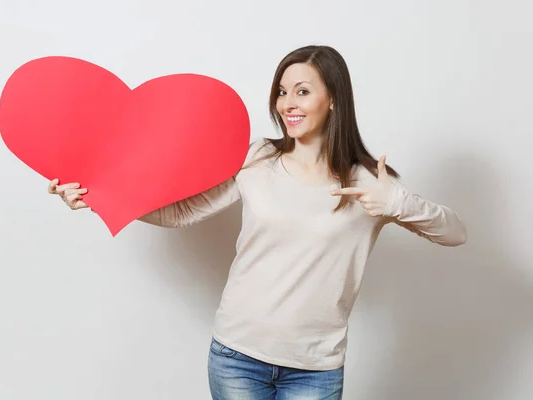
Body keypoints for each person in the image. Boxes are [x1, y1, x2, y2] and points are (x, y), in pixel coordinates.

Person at [47, 45, 467, 400]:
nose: (288, 103)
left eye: (302, 91)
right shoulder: (257, 158)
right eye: (282, 92)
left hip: (316, 369)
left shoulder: (369, 185)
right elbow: (185, 211)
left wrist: (395, 201)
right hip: (238, 356)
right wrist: (99, 195)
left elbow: (455, 233)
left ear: (334, 98)